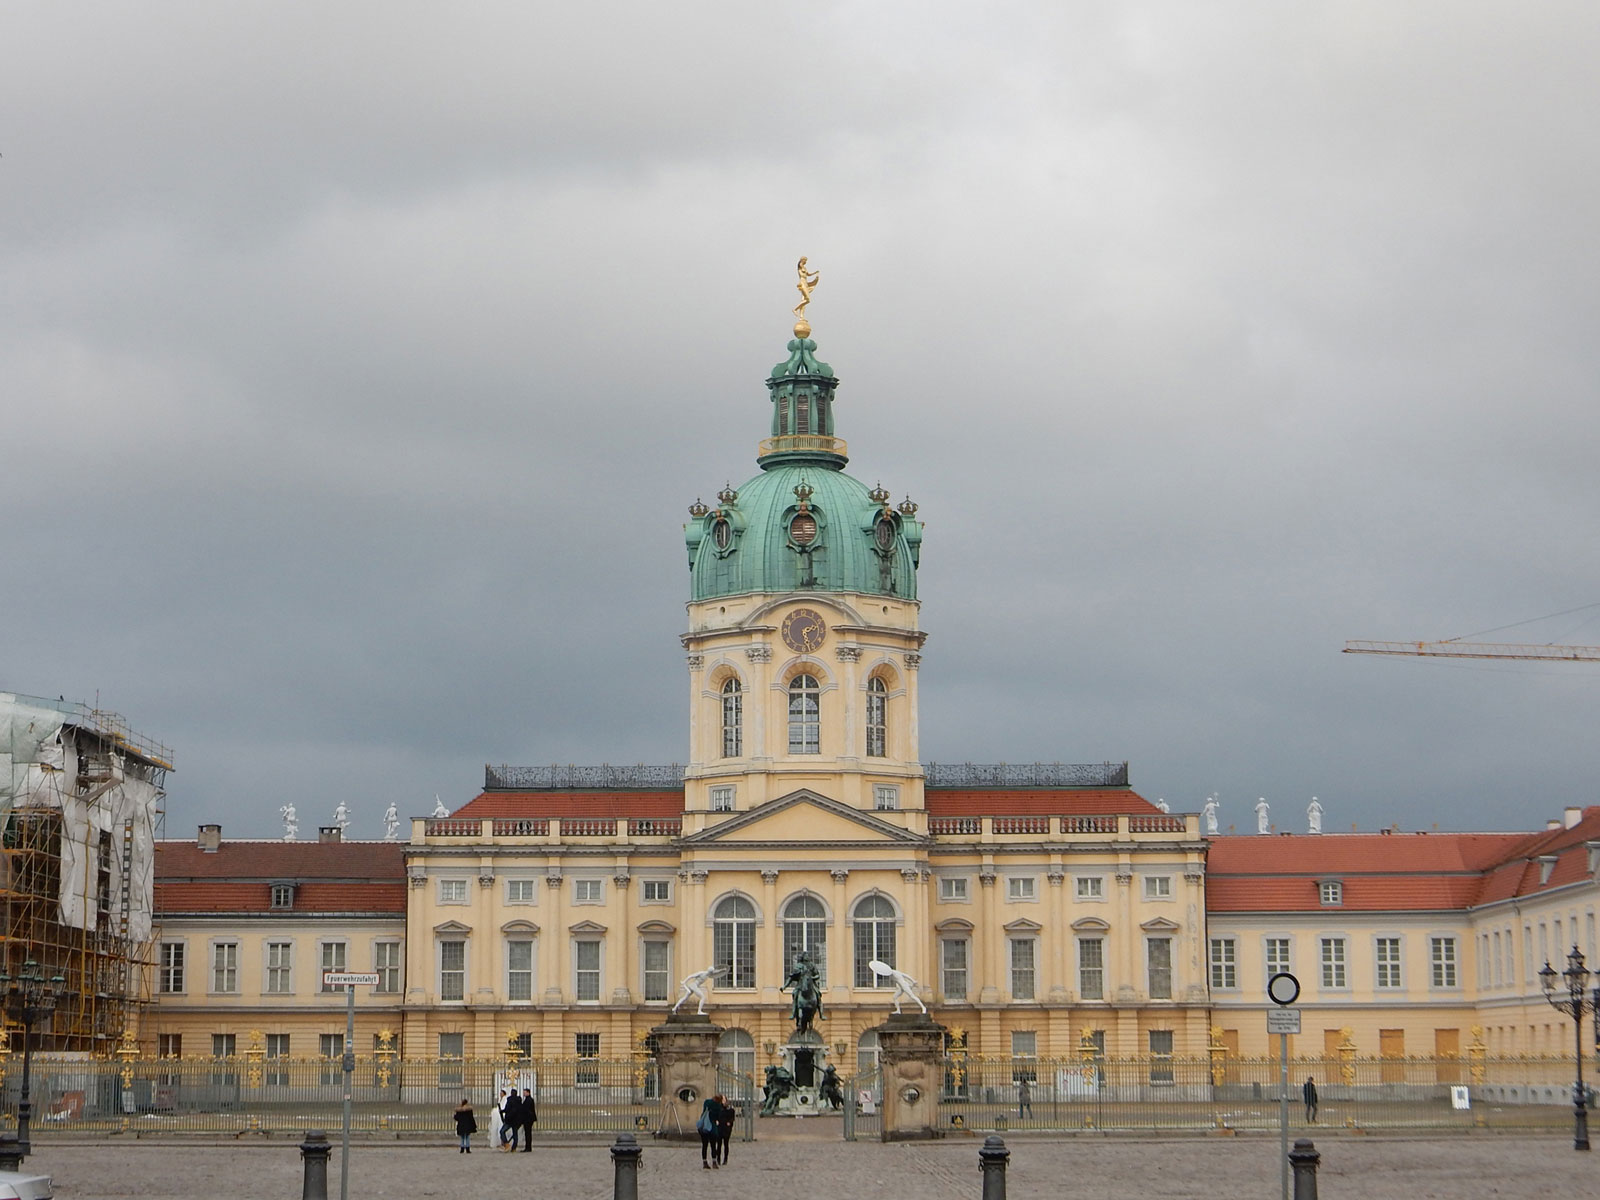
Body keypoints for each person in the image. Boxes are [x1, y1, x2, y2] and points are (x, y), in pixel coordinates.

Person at [697, 1093, 721, 1168]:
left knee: (704, 1145)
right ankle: (714, 1161)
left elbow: (704, 1111)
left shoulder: (706, 1102)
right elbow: (718, 1117)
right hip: (712, 1127)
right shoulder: (718, 1106)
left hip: (703, 1127)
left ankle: (704, 1162)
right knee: (713, 1145)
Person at [712, 1093, 735, 1167]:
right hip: (719, 1127)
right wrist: (716, 1121)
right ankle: (718, 1158)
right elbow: (715, 1116)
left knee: (726, 1144)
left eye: (724, 1099)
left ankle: (725, 1159)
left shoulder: (730, 1109)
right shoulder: (718, 1108)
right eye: (722, 1099)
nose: (723, 1101)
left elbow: (732, 1118)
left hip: (726, 1128)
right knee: (718, 1144)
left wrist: (729, 1122)